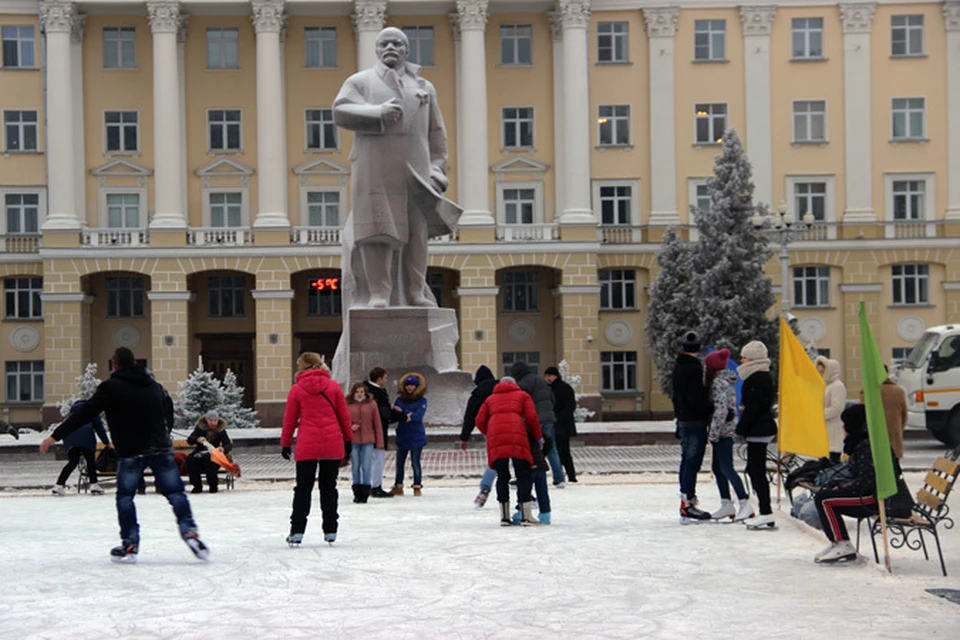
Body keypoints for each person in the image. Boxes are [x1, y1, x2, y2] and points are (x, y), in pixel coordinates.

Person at [40, 347, 209, 564]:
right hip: (160, 448)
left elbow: (84, 413)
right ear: (136, 362)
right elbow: (168, 410)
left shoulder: (111, 387)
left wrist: (54, 436)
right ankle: (190, 532)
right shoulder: (154, 386)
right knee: (176, 493)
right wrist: (164, 434)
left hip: (131, 451)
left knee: (126, 497)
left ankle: (130, 544)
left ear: (114, 365)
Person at [333, 27, 451, 308]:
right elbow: (340, 111)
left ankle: (415, 292)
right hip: (375, 170)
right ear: (376, 49)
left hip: (417, 173)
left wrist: (437, 171)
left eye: (397, 43)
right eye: (384, 43)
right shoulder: (361, 82)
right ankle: (379, 293)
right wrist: (377, 114)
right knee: (376, 231)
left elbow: (437, 133)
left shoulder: (423, 87)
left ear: (406, 50)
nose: (390, 47)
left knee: (417, 234)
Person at [281, 352, 353, 546]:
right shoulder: (333, 387)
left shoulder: (297, 390)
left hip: (307, 444)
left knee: (303, 488)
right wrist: (348, 440)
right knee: (329, 487)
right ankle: (330, 530)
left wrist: (286, 442)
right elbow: (344, 416)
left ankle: (297, 531)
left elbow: (289, 419)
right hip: (332, 443)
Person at [813, 404, 880, 563]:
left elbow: (867, 480)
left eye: (846, 423)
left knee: (825, 499)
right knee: (825, 494)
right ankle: (837, 542)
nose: (843, 427)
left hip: (875, 498)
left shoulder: (867, 446)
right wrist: (839, 484)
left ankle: (843, 543)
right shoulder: (861, 443)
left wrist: (843, 487)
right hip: (869, 493)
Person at [475, 376, 543, 526]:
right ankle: (526, 516)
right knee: (523, 474)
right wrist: (538, 437)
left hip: (495, 435)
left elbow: (479, 420)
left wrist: (490, 432)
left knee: (502, 475)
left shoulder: (490, 399)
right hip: (516, 434)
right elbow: (532, 417)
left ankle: (504, 517)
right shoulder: (523, 396)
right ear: (514, 384)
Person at [703, 349, 753, 522]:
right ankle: (726, 503)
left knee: (726, 468)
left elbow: (721, 409)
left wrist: (713, 433)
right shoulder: (727, 380)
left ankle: (744, 502)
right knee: (718, 468)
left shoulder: (718, 383)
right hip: (727, 429)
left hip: (723, 432)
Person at [672, 330, 713, 523]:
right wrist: (708, 409)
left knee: (686, 460)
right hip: (695, 420)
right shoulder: (694, 369)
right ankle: (688, 502)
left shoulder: (678, 367)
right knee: (692, 461)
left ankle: (685, 499)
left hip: (683, 419)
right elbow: (696, 397)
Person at [736, 340, 777, 530]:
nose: (741, 361)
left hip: (759, 430)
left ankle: (766, 512)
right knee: (754, 470)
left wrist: (741, 430)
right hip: (759, 428)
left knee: (756, 471)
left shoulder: (756, 379)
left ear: (752, 359)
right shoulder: (759, 377)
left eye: (744, 357)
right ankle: (765, 511)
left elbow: (753, 408)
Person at [511, 361, 563, 488]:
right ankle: (559, 478)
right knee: (552, 448)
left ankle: (526, 476)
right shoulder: (540, 380)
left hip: (534, 420)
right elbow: (552, 399)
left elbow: (520, 401)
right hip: (548, 419)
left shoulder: (523, 383)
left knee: (531, 449)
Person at [459, 365, 499, 508]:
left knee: (494, 460)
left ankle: (485, 488)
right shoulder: (502, 391)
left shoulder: (477, 395)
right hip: (514, 429)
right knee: (518, 460)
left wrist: (465, 438)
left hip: (492, 431)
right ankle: (527, 493)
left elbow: (470, 418)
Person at [51, 399, 110, 496]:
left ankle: (59, 485)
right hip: (86, 439)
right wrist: (106, 442)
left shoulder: (72, 413)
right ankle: (94, 485)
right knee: (90, 462)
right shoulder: (92, 412)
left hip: (70, 440)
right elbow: (99, 428)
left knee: (72, 462)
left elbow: (65, 427)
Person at [364, 367, 406, 498]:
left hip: (366, 430)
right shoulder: (378, 393)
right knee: (378, 459)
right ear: (379, 378)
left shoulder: (364, 388)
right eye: (385, 377)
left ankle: (367, 484)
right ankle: (376, 486)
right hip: (377, 428)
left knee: (368, 459)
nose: (386, 380)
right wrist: (402, 416)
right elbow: (384, 412)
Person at [346, 382, 384, 504]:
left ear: (365, 393)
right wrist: (350, 428)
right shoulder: (348, 405)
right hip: (353, 439)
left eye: (361, 392)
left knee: (367, 466)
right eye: (357, 392)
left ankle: (366, 490)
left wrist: (379, 442)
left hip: (368, 439)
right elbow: (342, 421)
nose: (359, 394)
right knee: (355, 466)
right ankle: (357, 490)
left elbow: (377, 424)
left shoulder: (372, 404)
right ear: (353, 393)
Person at [391, 373, 428, 496]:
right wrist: (407, 415)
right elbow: (395, 414)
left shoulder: (422, 400)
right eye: (407, 385)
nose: (410, 388)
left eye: (412, 385)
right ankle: (398, 485)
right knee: (399, 462)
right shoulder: (399, 399)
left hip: (416, 435)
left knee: (415, 462)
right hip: (402, 434)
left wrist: (404, 414)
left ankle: (417, 485)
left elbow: (418, 416)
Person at [185, 409, 233, 494]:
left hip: (214, 455)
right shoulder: (200, 429)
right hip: (199, 453)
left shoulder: (221, 430)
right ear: (207, 421)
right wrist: (197, 439)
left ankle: (213, 486)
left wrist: (223, 449)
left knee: (209, 461)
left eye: (215, 420)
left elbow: (228, 444)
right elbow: (189, 440)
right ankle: (197, 486)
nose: (213, 422)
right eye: (210, 420)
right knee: (191, 461)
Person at [544, 365, 578, 484]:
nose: (548, 378)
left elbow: (570, 406)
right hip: (553, 424)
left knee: (564, 451)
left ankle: (571, 476)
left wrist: (558, 418)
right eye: (546, 376)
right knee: (555, 451)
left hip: (563, 425)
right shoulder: (547, 388)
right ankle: (561, 475)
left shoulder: (564, 388)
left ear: (556, 376)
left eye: (550, 376)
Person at [815, 356, 847, 463]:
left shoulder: (837, 386)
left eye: (822, 371)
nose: (820, 374)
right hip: (824, 434)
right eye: (818, 371)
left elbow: (836, 408)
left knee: (832, 465)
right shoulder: (825, 386)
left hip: (833, 434)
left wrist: (818, 414)